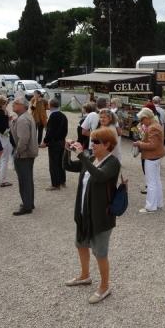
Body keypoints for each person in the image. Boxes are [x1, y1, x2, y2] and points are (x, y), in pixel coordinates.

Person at [63, 128, 121, 304]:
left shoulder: (112, 163)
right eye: (92, 141)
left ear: (107, 144)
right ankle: (84, 275)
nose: (92, 144)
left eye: (96, 142)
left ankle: (104, 287)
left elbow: (99, 176)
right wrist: (67, 151)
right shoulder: (91, 159)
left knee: (100, 252)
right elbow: (67, 166)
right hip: (83, 212)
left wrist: (81, 156)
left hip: (101, 216)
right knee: (81, 244)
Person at [133, 108, 165, 213]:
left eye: (142, 120)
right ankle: (159, 204)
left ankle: (150, 206)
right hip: (156, 156)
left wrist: (139, 143)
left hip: (151, 157)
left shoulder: (152, 127)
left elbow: (153, 145)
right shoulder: (155, 124)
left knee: (151, 182)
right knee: (156, 181)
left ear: (146, 118)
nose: (141, 122)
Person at [10, 97, 39, 215]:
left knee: (24, 180)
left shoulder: (22, 119)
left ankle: (27, 206)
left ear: (23, 106)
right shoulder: (25, 117)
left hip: (24, 155)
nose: (13, 104)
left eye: (16, 103)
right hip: (28, 154)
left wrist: (17, 152)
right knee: (27, 179)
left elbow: (23, 140)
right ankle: (29, 203)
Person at [40, 98, 68, 190]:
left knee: (54, 164)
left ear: (50, 105)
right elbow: (65, 130)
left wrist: (45, 141)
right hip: (62, 141)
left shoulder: (53, 116)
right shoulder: (63, 115)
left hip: (54, 143)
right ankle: (62, 181)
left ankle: (55, 184)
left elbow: (50, 131)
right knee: (61, 162)